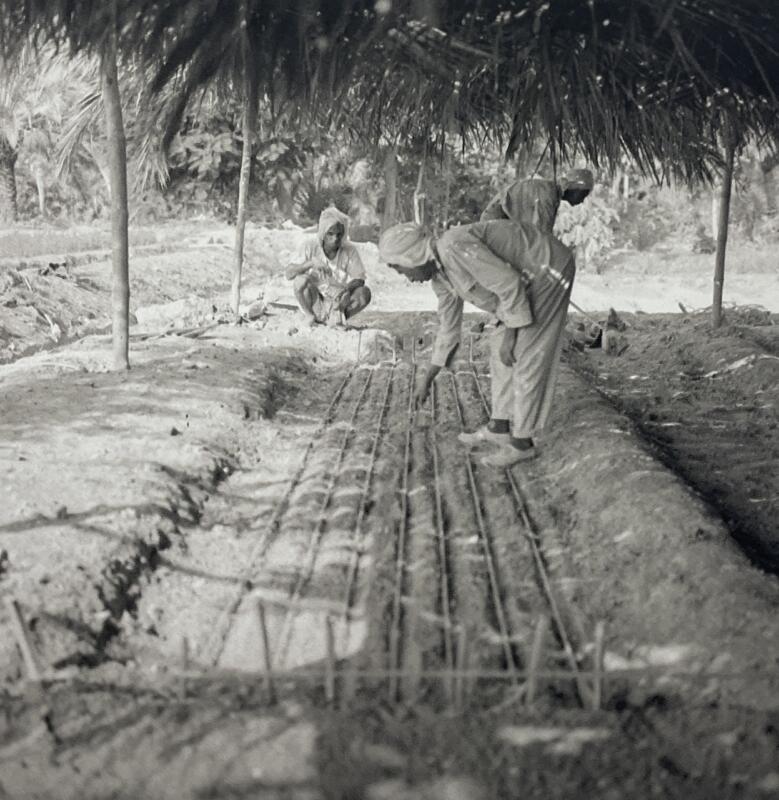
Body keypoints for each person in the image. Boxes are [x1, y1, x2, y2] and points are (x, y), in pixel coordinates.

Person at [378, 219, 575, 467]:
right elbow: (448, 328)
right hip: (522, 283)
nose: (407, 278)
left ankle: (522, 444)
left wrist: (512, 332)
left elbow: (509, 282)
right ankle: (499, 427)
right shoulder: (441, 278)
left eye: (401, 270)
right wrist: (428, 378)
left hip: (546, 267)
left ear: (412, 257)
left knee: (525, 353)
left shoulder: (454, 247)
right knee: (499, 351)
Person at [285, 206, 371, 326]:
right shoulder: (310, 245)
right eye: (330, 234)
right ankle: (310, 316)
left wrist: (346, 290)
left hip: (338, 303)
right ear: (323, 233)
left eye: (339, 234)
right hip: (314, 300)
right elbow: (288, 274)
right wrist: (310, 263)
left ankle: (336, 319)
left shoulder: (349, 250)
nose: (335, 239)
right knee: (301, 281)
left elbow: (360, 279)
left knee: (364, 293)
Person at [480, 168, 594, 233]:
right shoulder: (548, 193)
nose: (582, 200)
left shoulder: (551, 192)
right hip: (494, 225)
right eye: (583, 194)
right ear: (575, 188)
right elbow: (541, 236)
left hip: (501, 225)